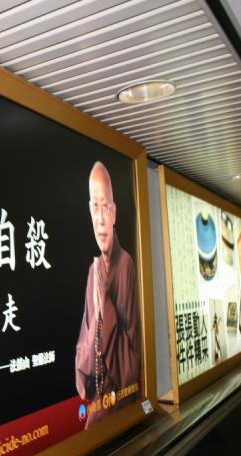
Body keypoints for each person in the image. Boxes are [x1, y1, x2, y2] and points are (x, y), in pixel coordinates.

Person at [75, 162, 141, 428]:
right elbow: (82, 365)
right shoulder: (94, 272)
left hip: (120, 405)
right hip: (97, 404)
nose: (100, 218)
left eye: (105, 207)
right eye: (95, 207)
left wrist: (105, 303)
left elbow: (131, 365)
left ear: (114, 213)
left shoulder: (126, 265)